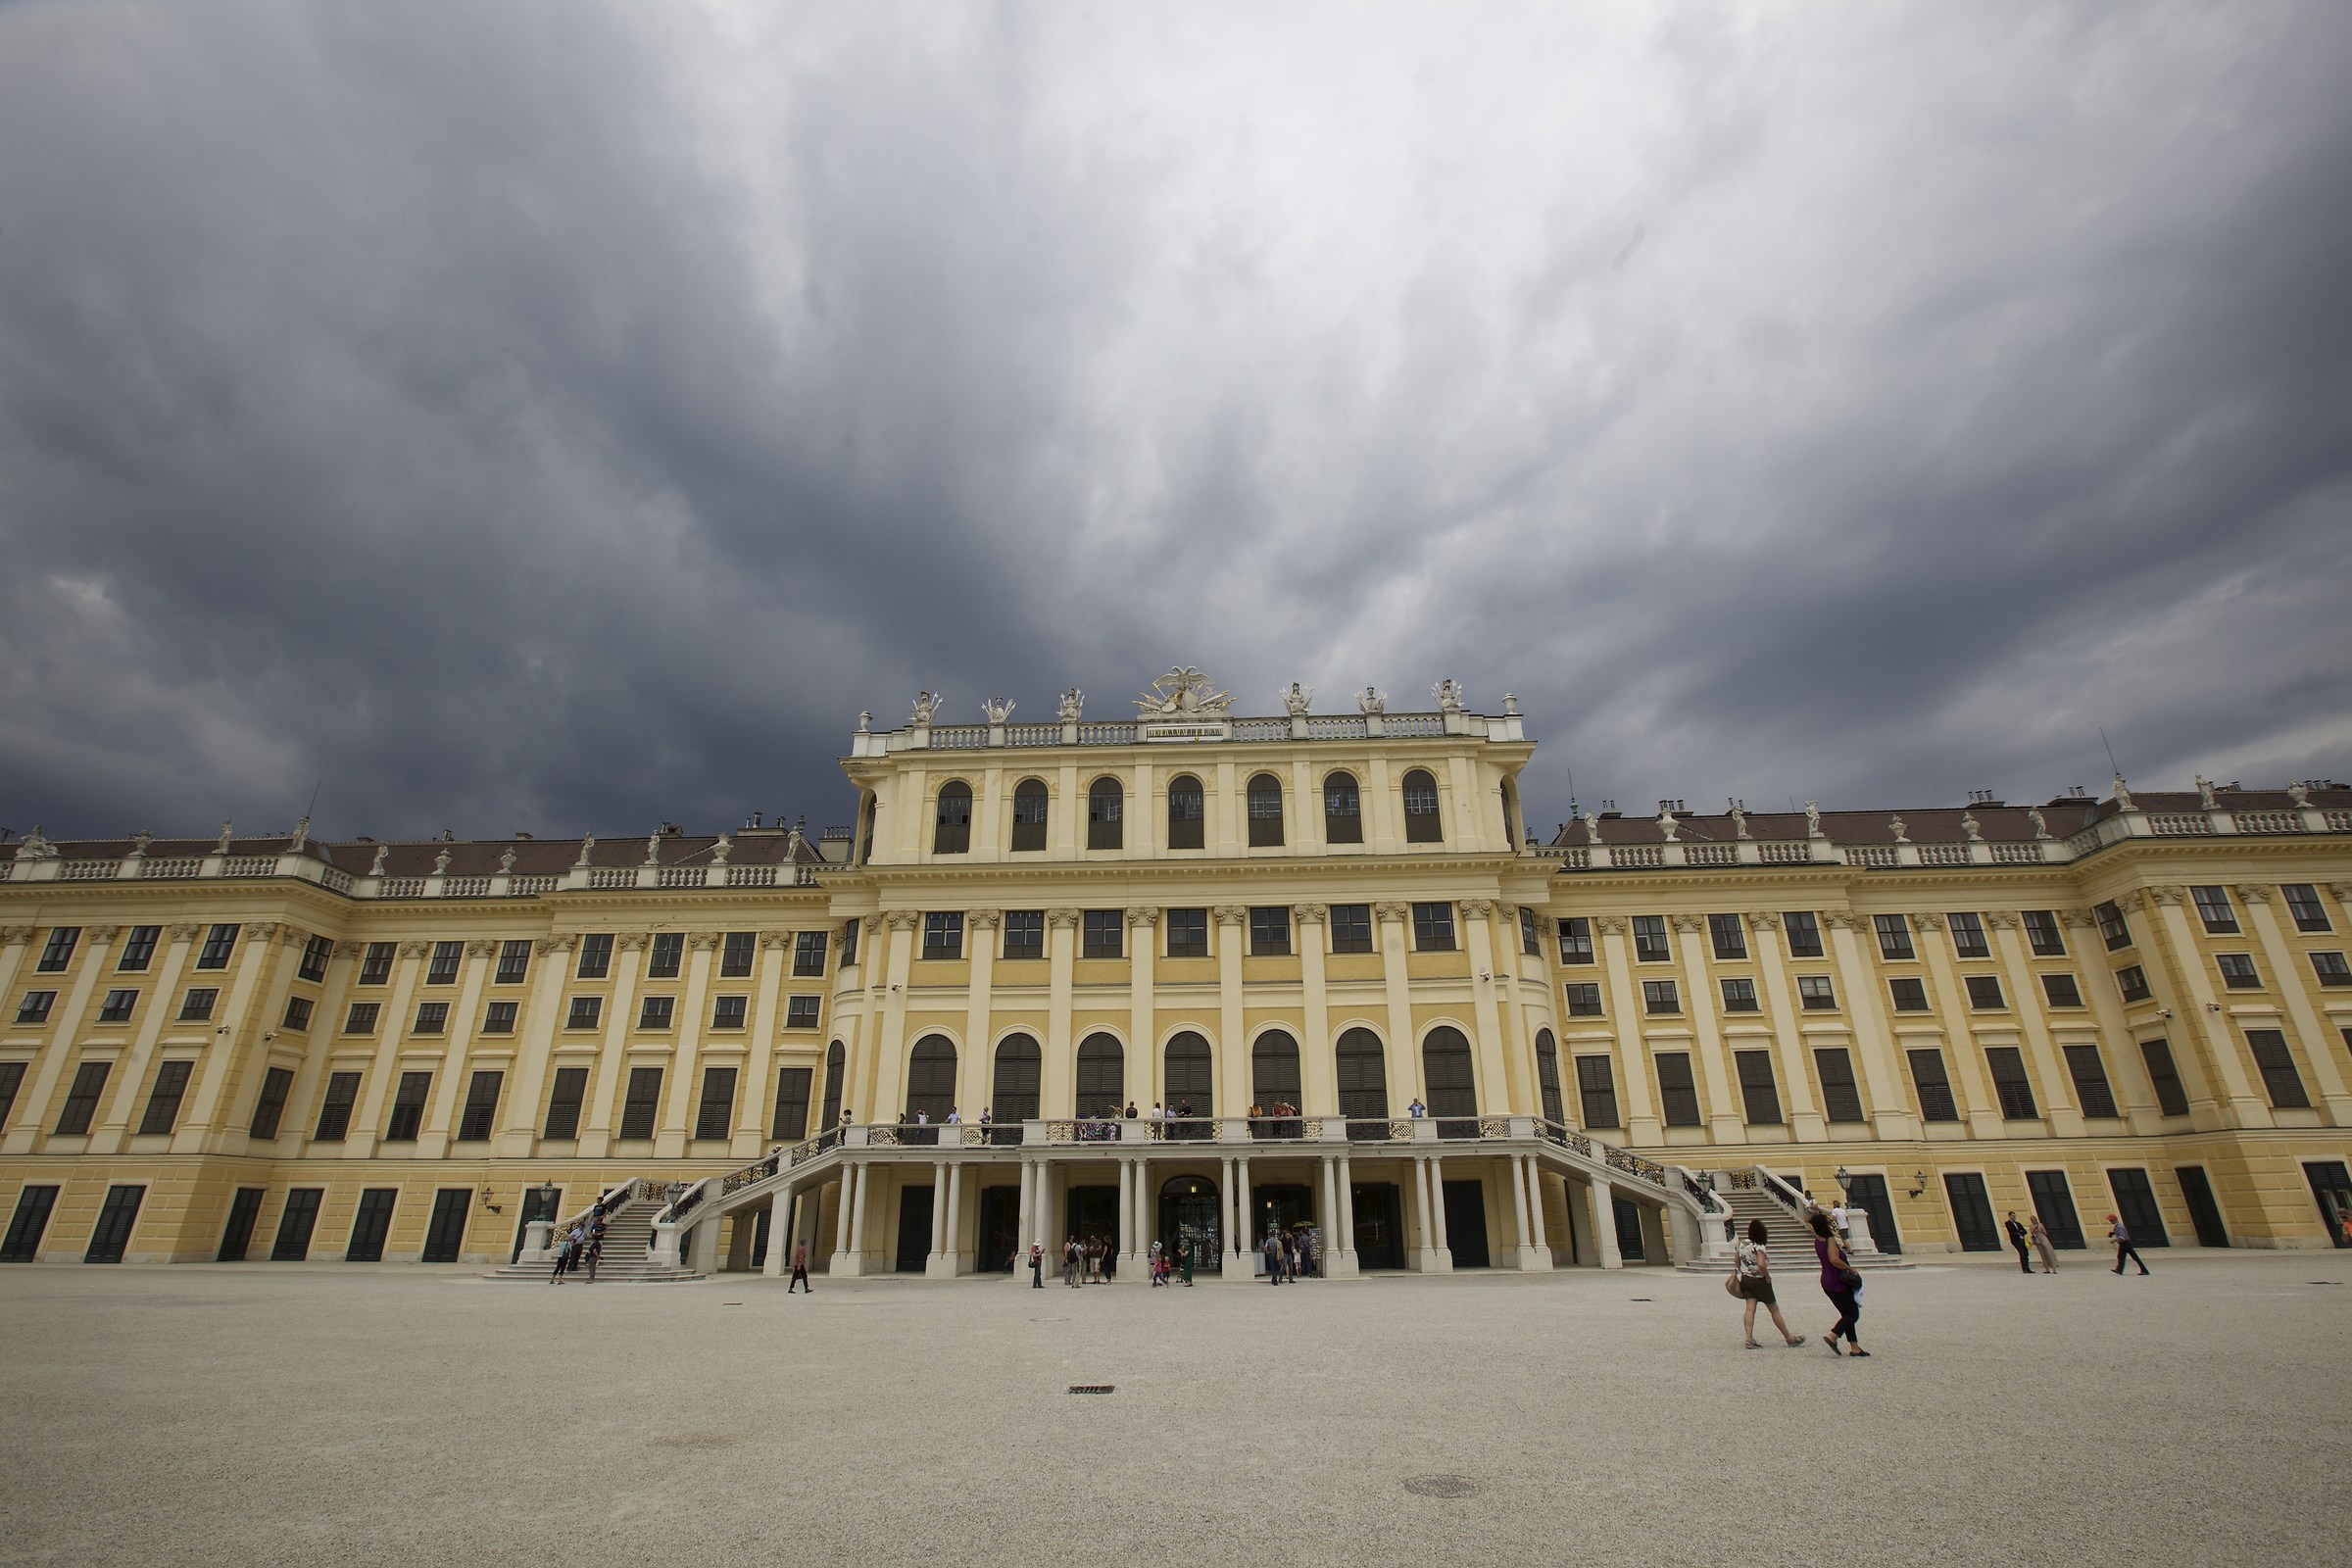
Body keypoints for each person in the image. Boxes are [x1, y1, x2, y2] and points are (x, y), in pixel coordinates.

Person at [1733, 1219, 1805, 1348]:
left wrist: (1741, 1270)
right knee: (1774, 1310)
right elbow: (1761, 1264)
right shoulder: (1759, 1246)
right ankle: (1789, 1337)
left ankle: (1749, 1338)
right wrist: (1767, 1276)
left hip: (1746, 1279)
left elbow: (1736, 1259)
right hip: (1759, 1280)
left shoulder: (1742, 1243)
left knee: (1750, 1309)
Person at [1811, 1211, 1868, 1357]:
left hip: (1827, 1282)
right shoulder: (1829, 1240)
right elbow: (1834, 1260)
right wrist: (1850, 1268)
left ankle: (1855, 1348)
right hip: (1838, 1282)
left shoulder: (1817, 1240)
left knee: (1846, 1314)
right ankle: (1833, 1336)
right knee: (1853, 1315)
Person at [2005, 1211, 2034, 1275]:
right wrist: (2020, 1231)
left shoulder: (2018, 1223)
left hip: (2022, 1240)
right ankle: (2024, 1268)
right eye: (2012, 1216)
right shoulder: (2008, 1223)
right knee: (2022, 1253)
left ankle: (2027, 1268)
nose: (2014, 1217)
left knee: (2026, 1254)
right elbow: (2011, 1231)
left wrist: (2019, 1232)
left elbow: (2025, 1231)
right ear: (2009, 1216)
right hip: (2016, 1241)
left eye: (2014, 1216)